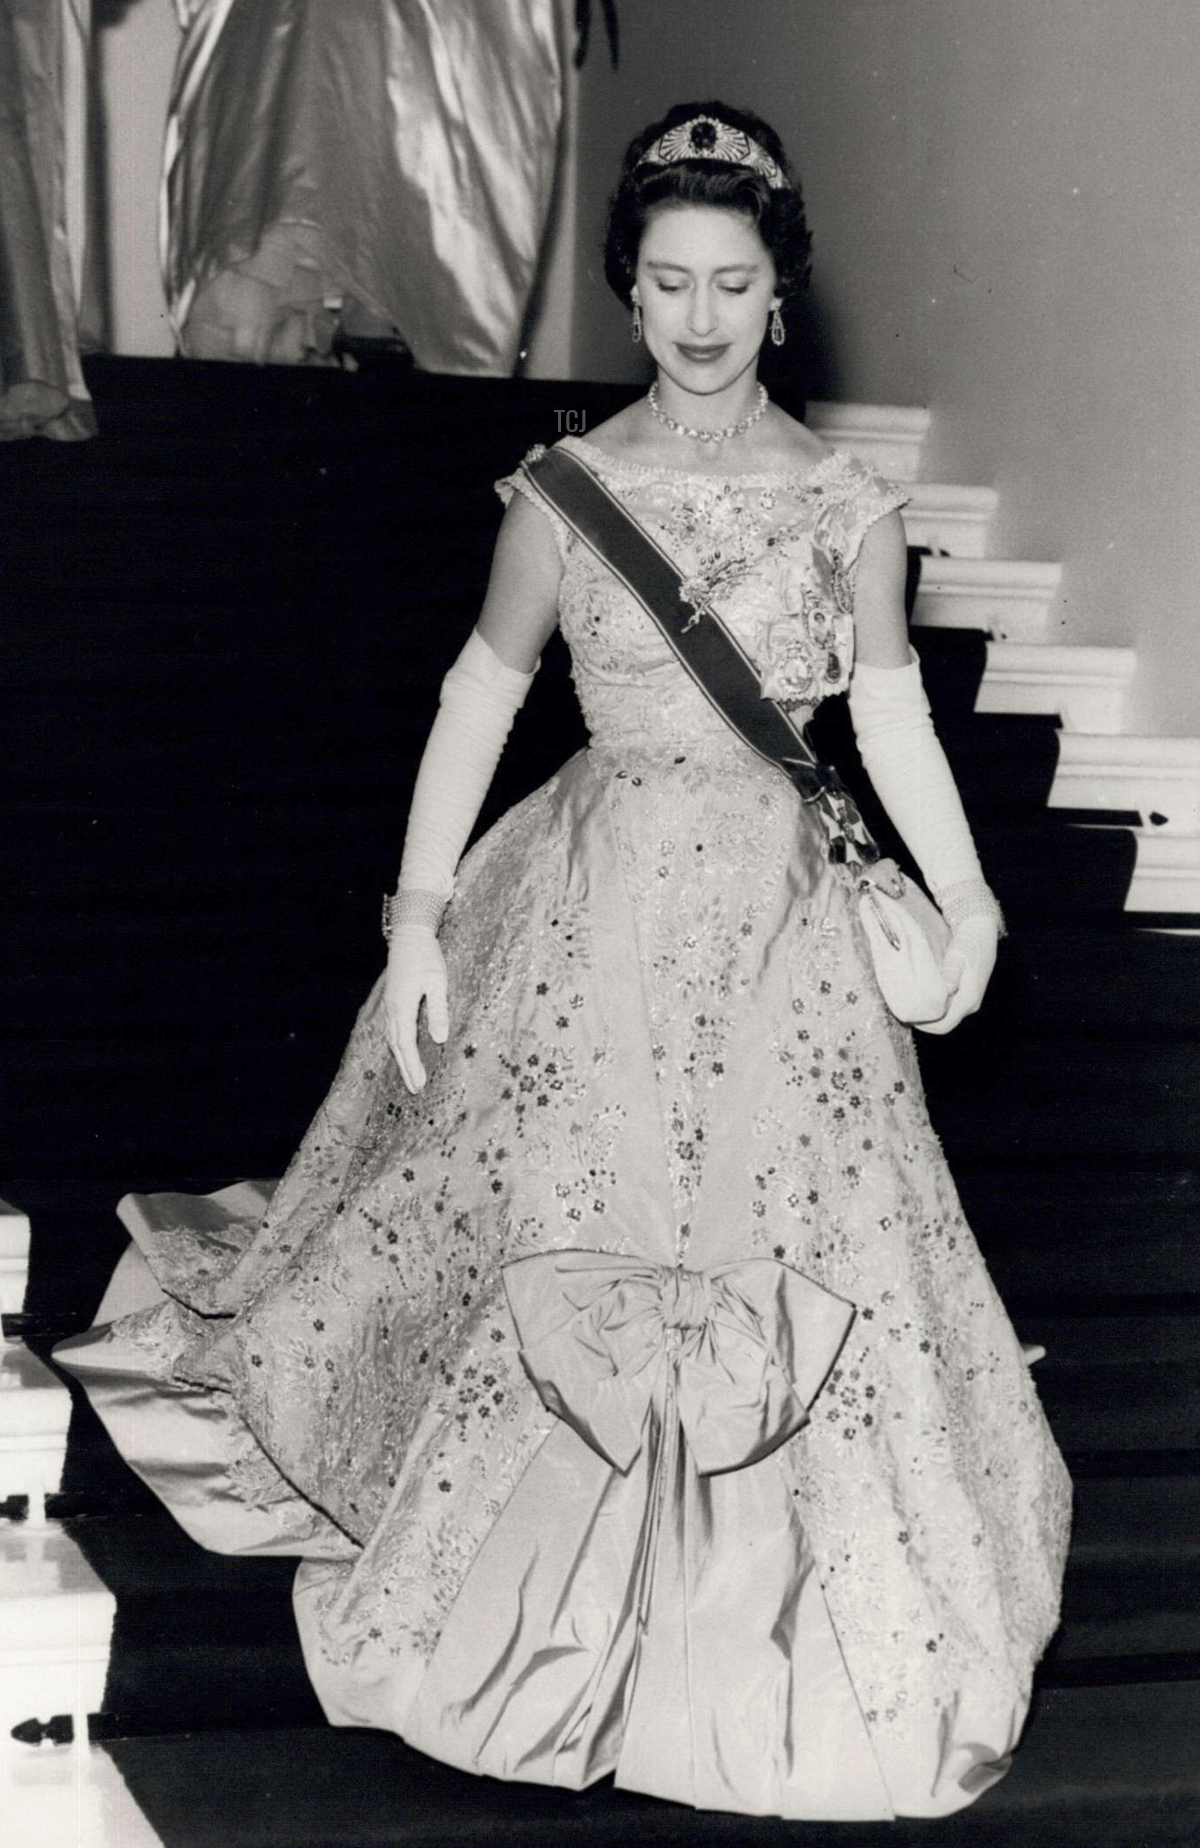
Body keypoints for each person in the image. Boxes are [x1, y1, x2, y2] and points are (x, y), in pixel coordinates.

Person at [58, 101, 1071, 1822]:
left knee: (808, 1236)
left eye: (731, 283)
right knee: (560, 1226)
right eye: (667, 282)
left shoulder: (848, 507)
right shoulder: (570, 494)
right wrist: (415, 917)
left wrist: (965, 902)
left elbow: (888, 719)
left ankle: (786, 1612)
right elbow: (478, 698)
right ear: (631, 293)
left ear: (778, 295)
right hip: (586, 910)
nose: (697, 316)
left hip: (782, 937)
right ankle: (521, 1599)